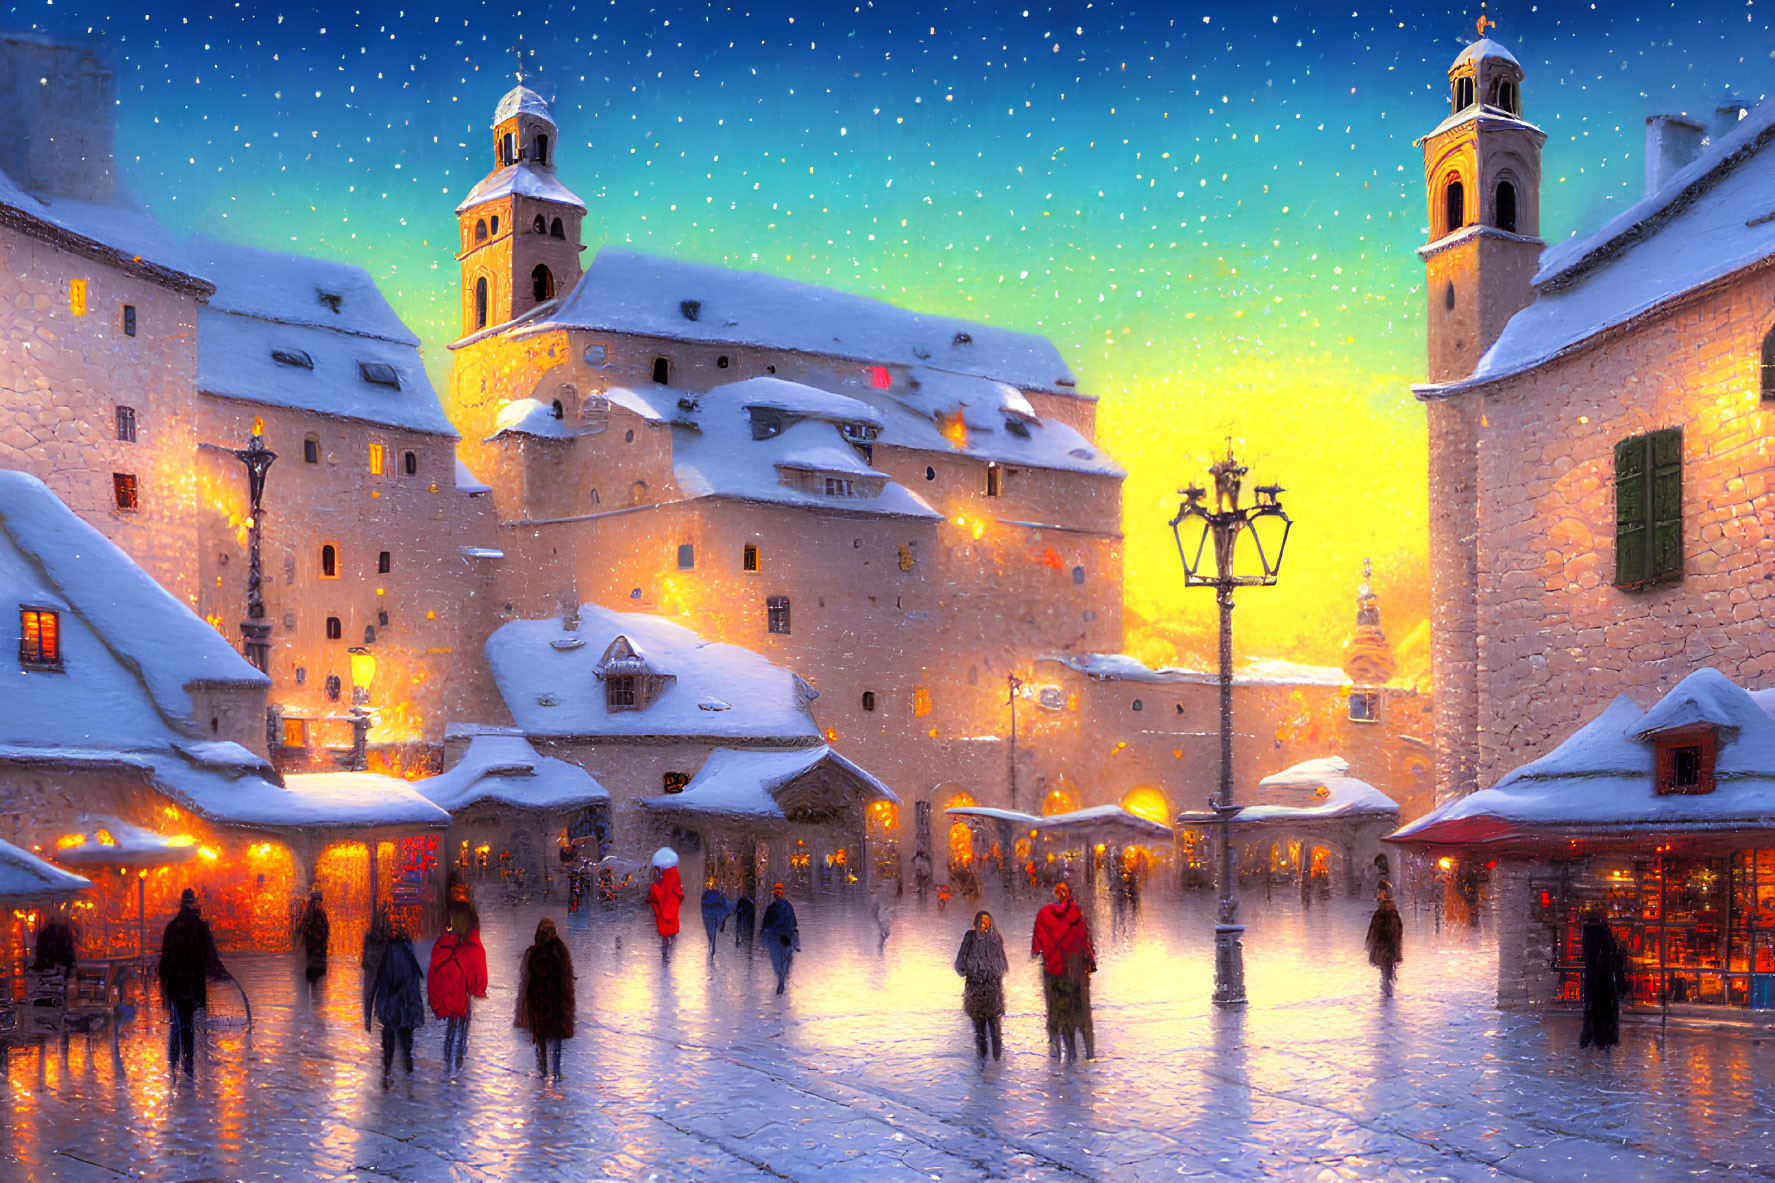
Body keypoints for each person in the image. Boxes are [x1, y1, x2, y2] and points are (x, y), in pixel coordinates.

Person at [158, 888, 228, 1075]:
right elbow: (210, 957)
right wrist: (223, 974)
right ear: (194, 904)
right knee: (187, 1025)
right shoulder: (199, 928)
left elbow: (165, 960)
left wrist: (164, 984)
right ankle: (187, 1073)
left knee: (176, 1024)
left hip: (175, 984)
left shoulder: (173, 928)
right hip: (191, 983)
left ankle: (174, 1071)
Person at [1031, 881, 1095, 1061]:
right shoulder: (1076, 912)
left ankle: (1061, 1046)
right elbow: (1083, 939)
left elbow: (1038, 942)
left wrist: (1040, 951)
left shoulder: (1044, 913)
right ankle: (1087, 1051)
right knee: (1080, 1009)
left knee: (1057, 1008)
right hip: (1074, 969)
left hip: (1054, 969)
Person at [515, 917, 576, 1081]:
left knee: (542, 1038)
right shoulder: (560, 952)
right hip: (555, 1002)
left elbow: (524, 976)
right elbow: (568, 977)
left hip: (541, 1001)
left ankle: (543, 1071)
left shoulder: (533, 953)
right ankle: (554, 1072)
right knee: (554, 1039)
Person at [365, 919, 425, 1086]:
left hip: (392, 1009)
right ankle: (409, 1080)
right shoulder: (410, 954)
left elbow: (377, 981)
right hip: (405, 1010)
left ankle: (388, 1075)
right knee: (406, 1046)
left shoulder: (387, 953)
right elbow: (415, 984)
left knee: (391, 1045)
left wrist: (369, 1015)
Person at [428, 909, 488, 1073]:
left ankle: (448, 1059)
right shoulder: (472, 945)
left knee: (452, 1026)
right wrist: (479, 988)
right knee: (462, 1026)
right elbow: (478, 969)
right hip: (464, 996)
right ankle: (459, 1059)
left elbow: (435, 970)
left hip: (451, 995)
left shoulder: (445, 943)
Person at [954, 910, 1008, 1060]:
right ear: (976, 922)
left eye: (987, 920)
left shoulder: (995, 938)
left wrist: (992, 974)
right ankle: (982, 1060)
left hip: (992, 989)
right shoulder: (970, 937)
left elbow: (1002, 963)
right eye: (982, 920)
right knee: (979, 1028)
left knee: (995, 1026)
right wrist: (970, 970)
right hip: (975, 988)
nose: (984, 923)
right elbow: (961, 961)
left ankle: (996, 1059)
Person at [1579, 909, 1628, 1050]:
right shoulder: (1606, 941)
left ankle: (1594, 1037)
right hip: (1604, 981)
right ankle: (1603, 1038)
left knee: (1593, 1007)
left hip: (1596, 980)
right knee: (1603, 1007)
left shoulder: (1592, 942)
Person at [1365, 881, 1404, 997]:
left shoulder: (1383, 911)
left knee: (1386, 971)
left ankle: (1387, 993)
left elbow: (1375, 931)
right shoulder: (1391, 911)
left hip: (1385, 945)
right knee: (1388, 971)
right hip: (1389, 945)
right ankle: (1388, 992)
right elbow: (1398, 930)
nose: (1377, 897)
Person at [760, 883, 799, 994]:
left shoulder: (770, 908)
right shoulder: (789, 907)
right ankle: (782, 979)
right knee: (786, 959)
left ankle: (780, 979)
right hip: (786, 937)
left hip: (775, 938)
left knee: (776, 960)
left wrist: (764, 936)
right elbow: (793, 924)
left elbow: (765, 924)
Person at [648, 848, 685, 961]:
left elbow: (665, 892)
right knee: (668, 930)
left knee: (666, 931)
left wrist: (655, 888)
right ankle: (667, 950)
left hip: (667, 905)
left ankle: (666, 953)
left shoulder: (669, 874)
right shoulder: (672, 873)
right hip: (671, 904)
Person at [299, 889, 330, 984]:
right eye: (319, 900)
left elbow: (305, 928)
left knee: (314, 963)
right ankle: (315, 976)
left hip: (314, 945)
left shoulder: (309, 912)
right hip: (317, 945)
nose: (320, 902)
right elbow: (323, 927)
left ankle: (314, 977)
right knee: (316, 964)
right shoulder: (317, 912)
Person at [700, 884, 733, 955]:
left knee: (710, 931)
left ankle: (711, 943)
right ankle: (711, 944)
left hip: (709, 915)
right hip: (716, 915)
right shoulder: (719, 896)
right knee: (713, 929)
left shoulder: (706, 895)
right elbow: (725, 905)